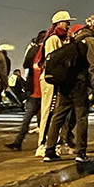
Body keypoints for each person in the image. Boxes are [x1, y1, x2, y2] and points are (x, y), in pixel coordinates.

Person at [42, 15, 94, 162]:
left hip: (66, 83)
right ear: (91, 27)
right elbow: (93, 67)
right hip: (79, 84)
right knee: (81, 117)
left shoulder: (75, 38)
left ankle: (49, 151)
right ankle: (81, 152)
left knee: (58, 117)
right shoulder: (91, 41)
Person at [33, 11, 73, 157]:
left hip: (55, 80)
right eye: (67, 22)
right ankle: (42, 144)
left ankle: (52, 143)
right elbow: (53, 61)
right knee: (48, 112)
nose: (68, 25)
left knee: (55, 112)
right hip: (51, 80)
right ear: (59, 23)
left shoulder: (59, 39)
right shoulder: (53, 39)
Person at [5, 32, 47, 151]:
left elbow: (25, 64)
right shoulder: (47, 50)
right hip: (42, 90)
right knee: (44, 120)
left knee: (28, 119)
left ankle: (19, 142)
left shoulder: (34, 50)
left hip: (33, 90)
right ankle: (44, 144)